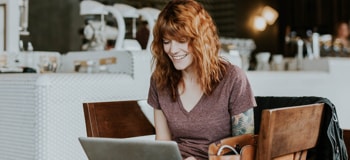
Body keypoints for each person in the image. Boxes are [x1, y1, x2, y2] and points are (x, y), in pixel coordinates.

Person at [147, 0, 256, 159]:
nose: (172, 50)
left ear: (200, 39)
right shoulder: (159, 81)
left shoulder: (233, 78)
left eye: (182, 40)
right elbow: (163, 146)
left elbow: (246, 151)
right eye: (166, 41)